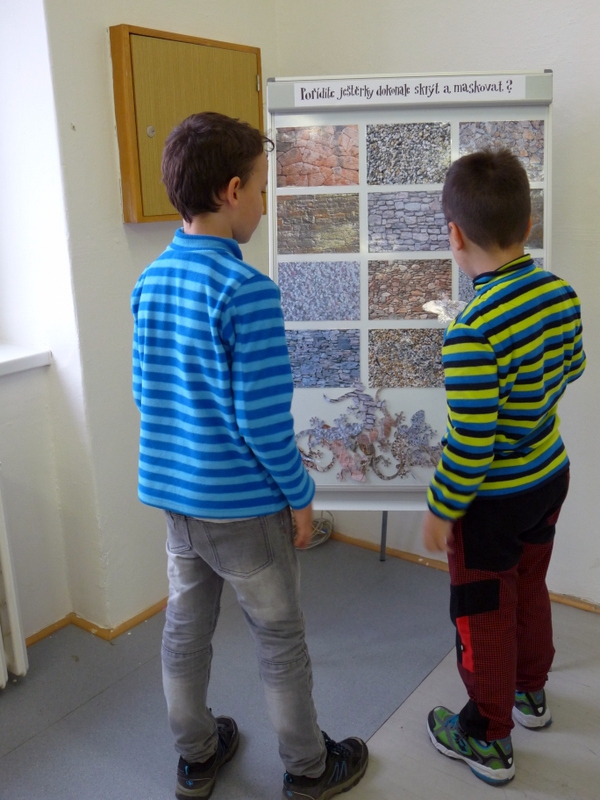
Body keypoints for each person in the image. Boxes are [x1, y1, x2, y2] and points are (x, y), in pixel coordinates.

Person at [130, 111, 368, 800]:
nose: (263, 203)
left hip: (177, 504)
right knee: (280, 638)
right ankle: (309, 767)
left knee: (184, 631)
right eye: (262, 189)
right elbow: (262, 425)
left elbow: (146, 394)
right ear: (232, 191)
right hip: (244, 510)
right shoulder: (248, 292)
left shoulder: (150, 282)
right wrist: (301, 496)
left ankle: (196, 757)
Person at [421, 148, 586, 786]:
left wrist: (441, 508)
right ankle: (530, 691)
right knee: (530, 585)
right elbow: (572, 367)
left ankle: (487, 736)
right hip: (549, 475)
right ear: (528, 223)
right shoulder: (560, 293)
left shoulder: (471, 331)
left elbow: (471, 446)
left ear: (455, 236)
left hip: (491, 504)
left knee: (483, 611)